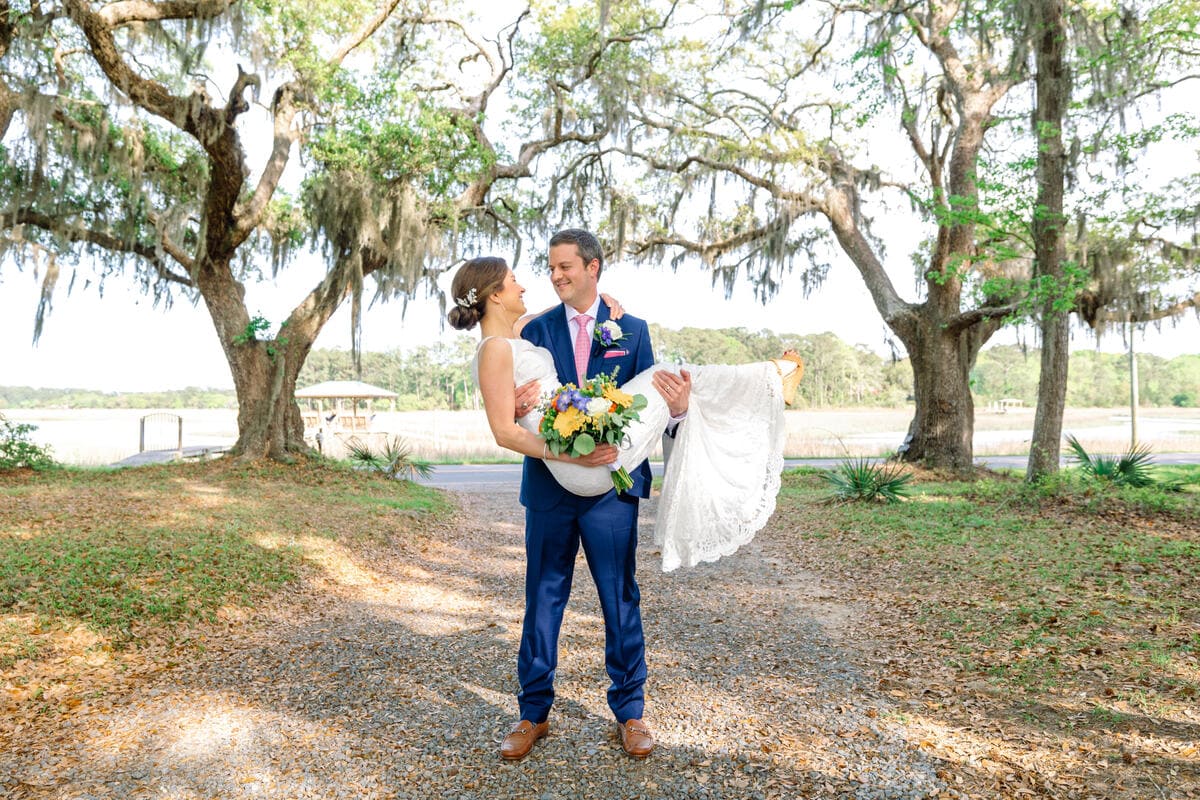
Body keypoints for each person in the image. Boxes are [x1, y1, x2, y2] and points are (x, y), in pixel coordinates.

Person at [446, 230, 801, 762]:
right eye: (549, 269)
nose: (555, 277)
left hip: (613, 485)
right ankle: (532, 712)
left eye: (566, 267)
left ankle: (630, 712)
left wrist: (680, 410)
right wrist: (523, 403)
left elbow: (653, 408)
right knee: (543, 598)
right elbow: (505, 376)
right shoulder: (532, 328)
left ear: (594, 267)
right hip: (550, 484)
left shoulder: (631, 330)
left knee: (620, 597)